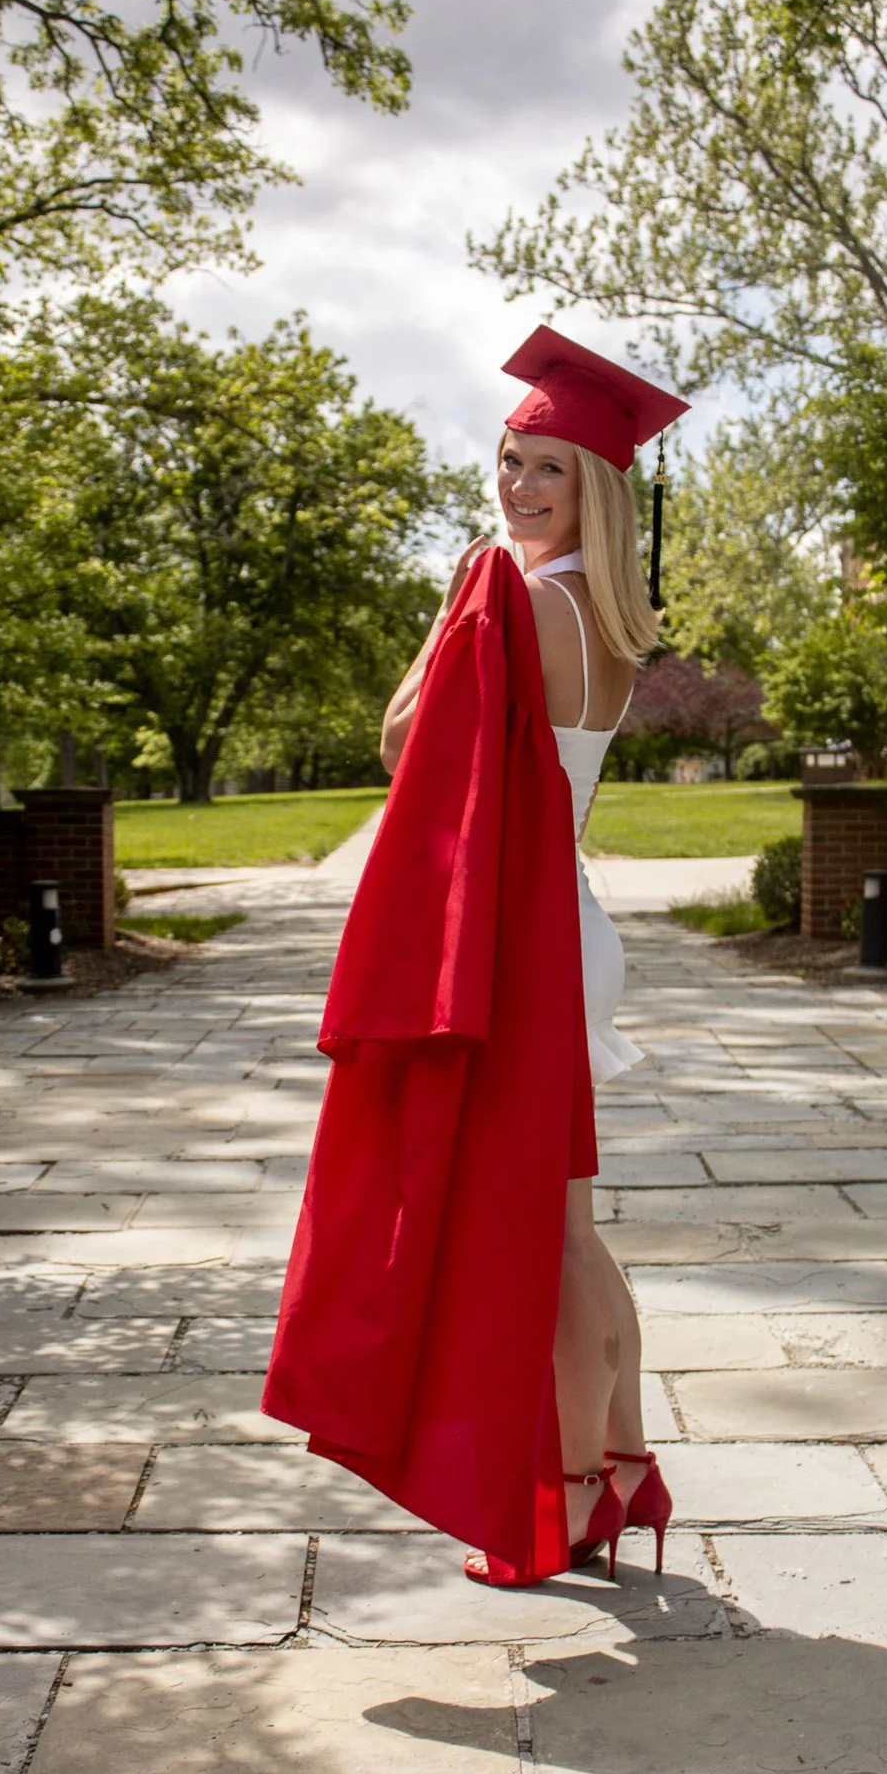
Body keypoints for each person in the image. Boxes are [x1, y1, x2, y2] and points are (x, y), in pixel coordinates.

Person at [262, 327, 688, 1588]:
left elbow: (404, 742)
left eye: (547, 469)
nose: (516, 488)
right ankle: (622, 1466)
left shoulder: (516, 599)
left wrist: (457, 602)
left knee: (548, 1240)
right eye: (510, 462)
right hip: (568, 927)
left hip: (523, 950)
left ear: (595, 491)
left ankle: (562, 1498)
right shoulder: (605, 617)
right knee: (570, 1231)